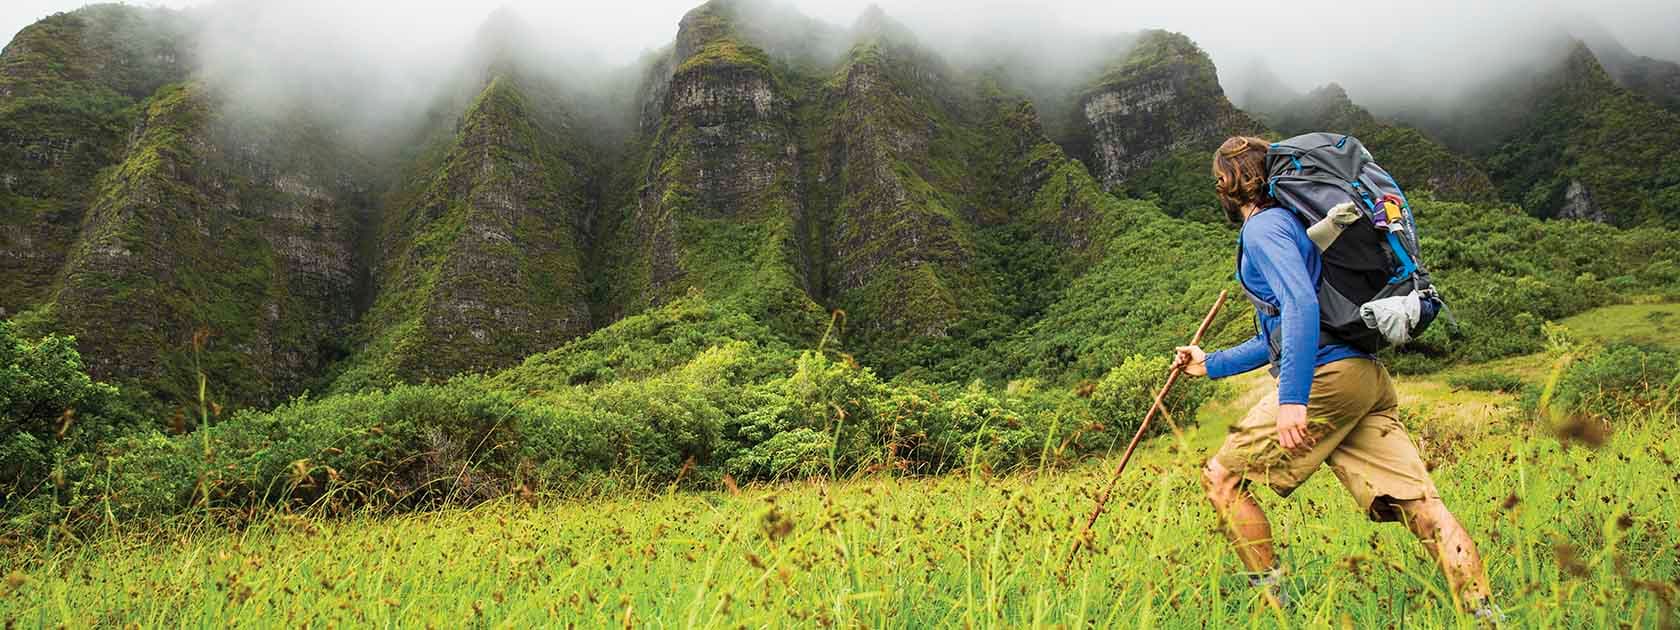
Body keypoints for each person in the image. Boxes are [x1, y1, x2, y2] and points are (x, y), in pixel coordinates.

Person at [1173, 136, 1497, 619]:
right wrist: (1211, 363)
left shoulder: (1265, 230)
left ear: (1226, 186)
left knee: (1221, 478)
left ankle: (1273, 608)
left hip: (1328, 378)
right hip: (1363, 377)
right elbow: (1287, 328)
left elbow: (1301, 306)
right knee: (1421, 507)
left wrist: (1292, 400)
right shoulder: (1298, 227)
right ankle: (1485, 615)